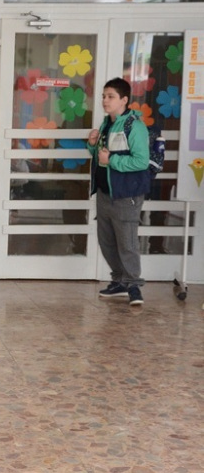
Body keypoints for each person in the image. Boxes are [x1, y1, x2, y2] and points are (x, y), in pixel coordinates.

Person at [87, 76, 151, 307]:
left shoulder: (135, 126)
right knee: (107, 241)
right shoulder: (107, 124)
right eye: (103, 96)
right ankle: (119, 281)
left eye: (110, 96)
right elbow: (101, 157)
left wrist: (112, 160)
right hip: (105, 193)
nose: (105, 100)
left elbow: (141, 161)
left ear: (124, 100)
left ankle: (133, 285)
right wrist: (92, 145)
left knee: (127, 242)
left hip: (126, 195)